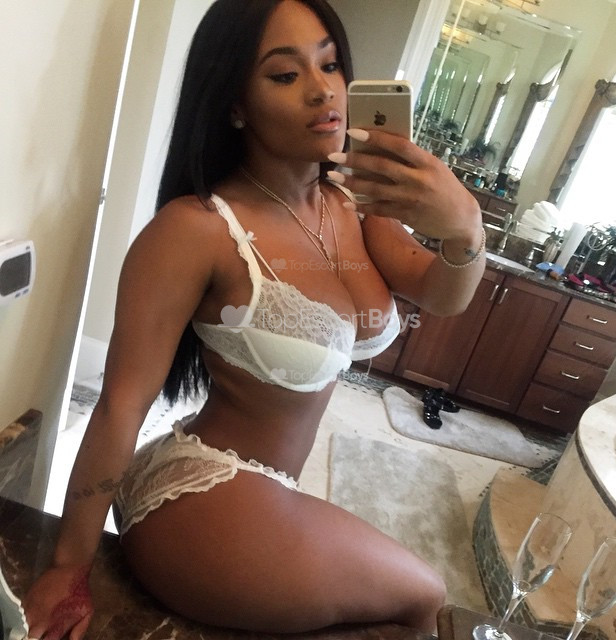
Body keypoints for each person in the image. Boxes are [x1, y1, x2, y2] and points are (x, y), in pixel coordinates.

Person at [23, 0, 485, 637]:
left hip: (267, 493)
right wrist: (69, 565)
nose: (322, 90)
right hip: (203, 493)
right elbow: (121, 405)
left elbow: (441, 293)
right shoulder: (197, 229)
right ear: (235, 104)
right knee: (427, 598)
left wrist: (466, 231)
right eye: (285, 74)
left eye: (330, 64)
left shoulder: (352, 203)